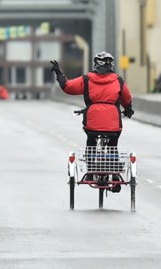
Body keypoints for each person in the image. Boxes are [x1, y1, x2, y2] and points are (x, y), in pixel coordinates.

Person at [51, 52, 133, 192]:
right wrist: (128, 110)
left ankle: (91, 166)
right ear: (110, 65)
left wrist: (59, 73)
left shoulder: (87, 79)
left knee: (91, 138)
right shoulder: (118, 80)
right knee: (113, 141)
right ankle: (113, 173)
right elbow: (126, 98)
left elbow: (68, 87)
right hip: (113, 122)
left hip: (92, 120)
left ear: (95, 63)